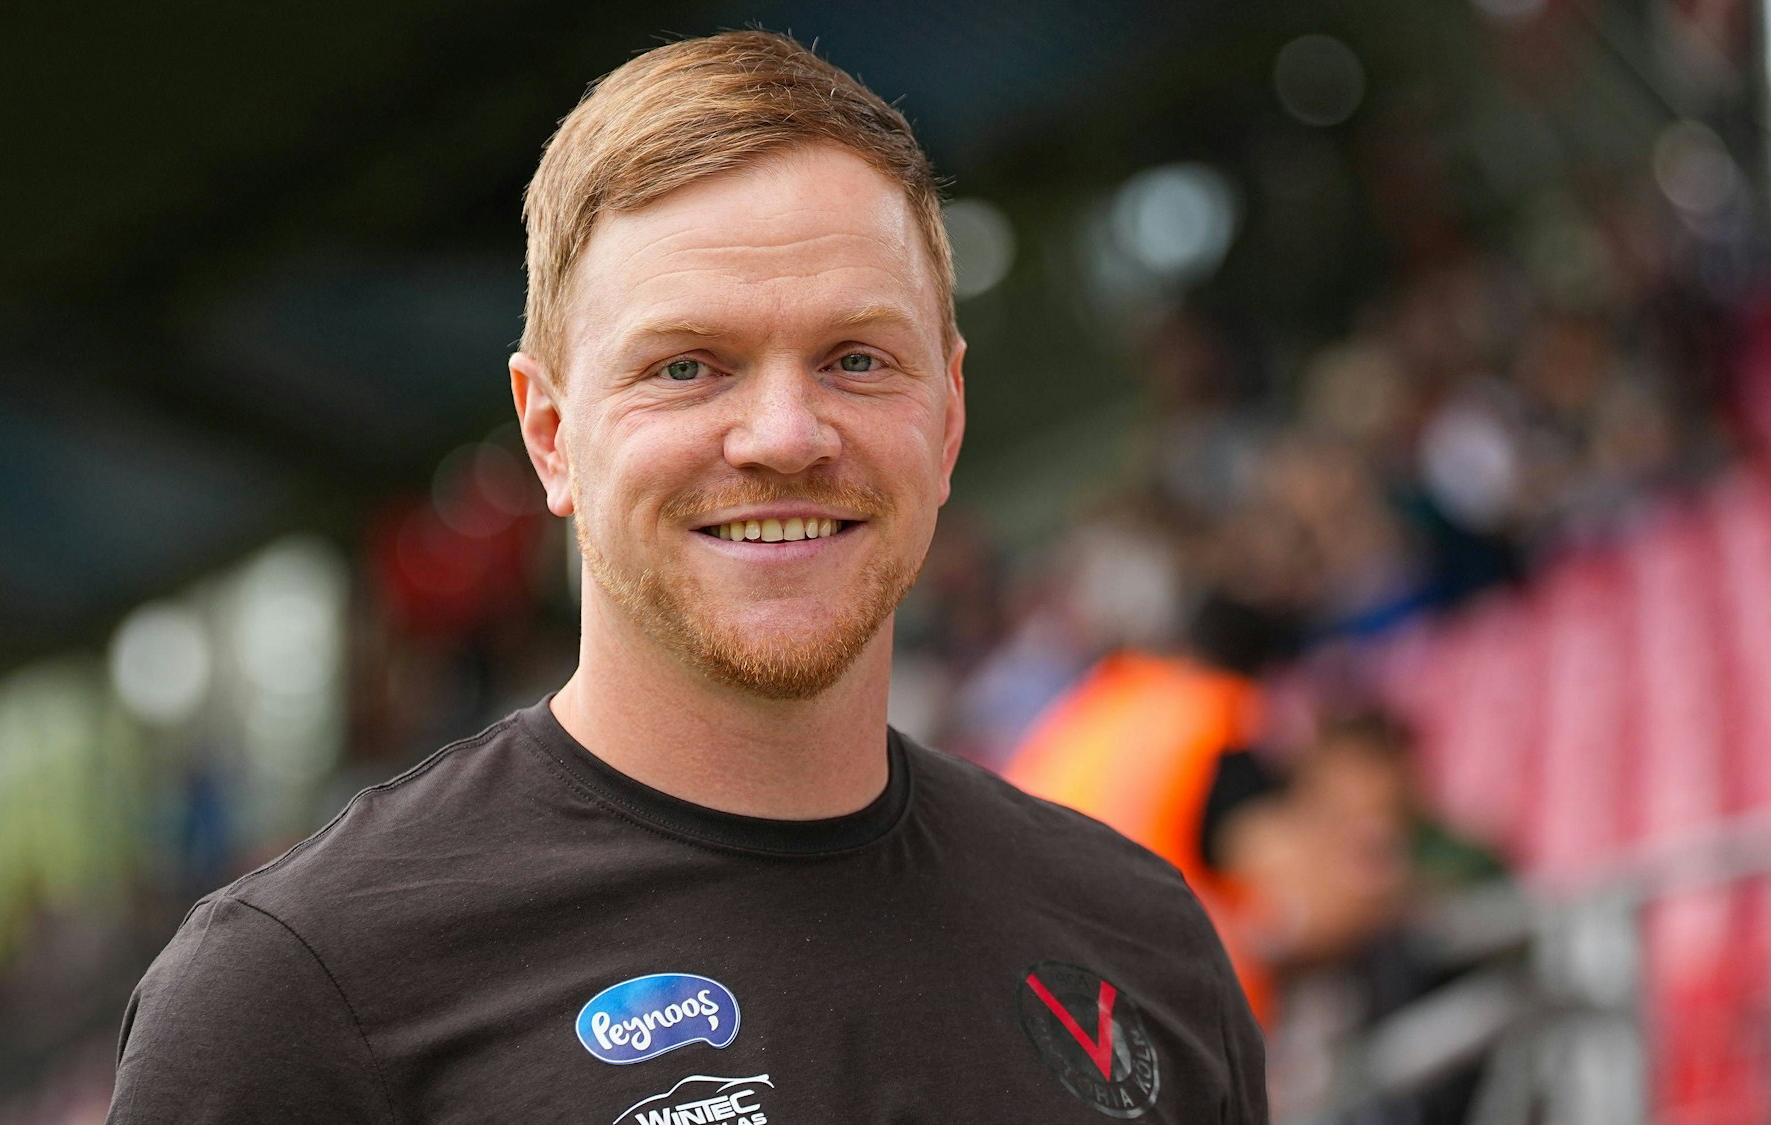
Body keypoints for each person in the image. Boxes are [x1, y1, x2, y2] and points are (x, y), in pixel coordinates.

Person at [104, 31, 1266, 1123]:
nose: (783, 434)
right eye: (687, 367)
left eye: (856, 359)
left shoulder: (1139, 941)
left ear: (950, 413)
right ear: (550, 435)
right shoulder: (301, 994)